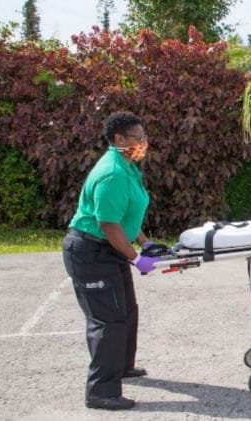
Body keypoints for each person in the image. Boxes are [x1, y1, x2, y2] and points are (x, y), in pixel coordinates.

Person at [62, 111, 163, 410]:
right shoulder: (112, 173)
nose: (143, 143)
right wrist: (136, 258)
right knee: (107, 321)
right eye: (138, 138)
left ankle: (121, 367)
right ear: (119, 139)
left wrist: (146, 242)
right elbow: (108, 224)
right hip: (92, 253)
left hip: (109, 249)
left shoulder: (128, 167)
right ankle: (101, 392)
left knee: (127, 311)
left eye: (144, 137)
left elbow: (126, 215)